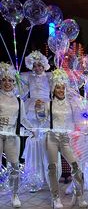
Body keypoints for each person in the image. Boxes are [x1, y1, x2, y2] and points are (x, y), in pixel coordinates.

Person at [35, 69, 88, 209]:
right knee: (52, 167)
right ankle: (55, 197)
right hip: (52, 137)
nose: (60, 90)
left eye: (63, 87)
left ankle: (79, 195)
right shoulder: (48, 104)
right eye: (58, 87)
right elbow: (41, 120)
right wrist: (38, 109)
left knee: (76, 166)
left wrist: (84, 112)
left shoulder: (71, 103)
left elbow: (82, 117)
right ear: (53, 88)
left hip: (66, 139)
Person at [0, 62, 33, 207]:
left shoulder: (19, 100)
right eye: (4, 80)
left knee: (14, 165)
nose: (8, 83)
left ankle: (14, 194)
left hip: (12, 136)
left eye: (10, 80)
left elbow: (24, 119)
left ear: (14, 82)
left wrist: (33, 128)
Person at [22, 51, 51, 192]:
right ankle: (33, 178)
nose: (38, 68)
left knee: (45, 141)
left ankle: (48, 177)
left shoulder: (49, 77)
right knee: (33, 141)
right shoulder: (28, 77)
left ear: (44, 65)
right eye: (35, 65)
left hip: (46, 107)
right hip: (32, 108)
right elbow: (20, 89)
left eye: (40, 65)